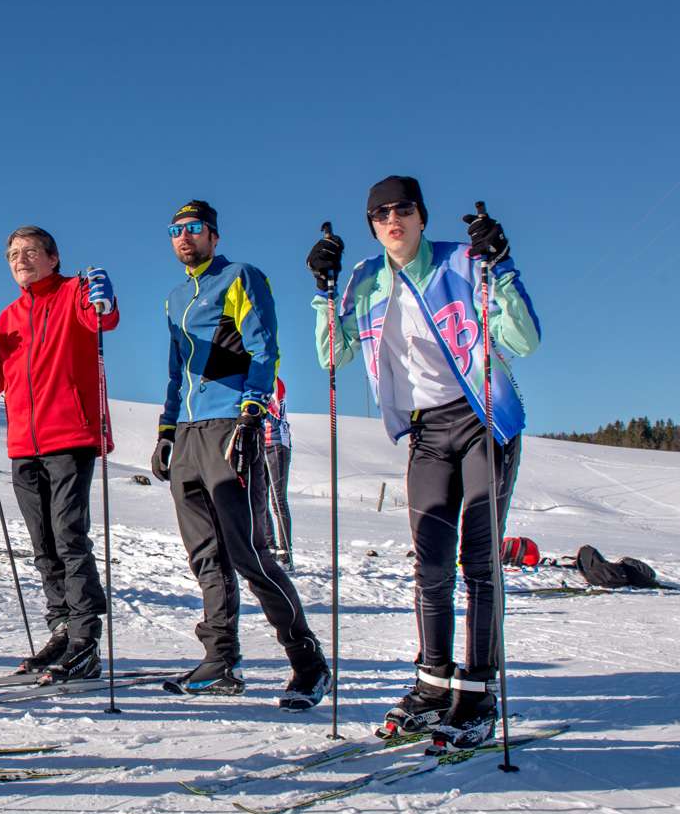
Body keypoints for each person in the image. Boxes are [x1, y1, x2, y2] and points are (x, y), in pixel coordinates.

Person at [309, 177, 539, 749]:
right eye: (380, 213)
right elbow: (330, 354)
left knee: (478, 560)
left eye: (403, 209)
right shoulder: (364, 280)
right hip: (426, 433)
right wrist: (322, 290)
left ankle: (478, 691)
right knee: (429, 565)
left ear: (421, 216)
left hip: (484, 416)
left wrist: (502, 267)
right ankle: (433, 685)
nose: (393, 219)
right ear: (371, 225)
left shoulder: (464, 262)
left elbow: (525, 339)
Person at [153, 200, 329, 709]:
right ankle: (219, 662)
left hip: (230, 423)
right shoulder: (174, 298)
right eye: (175, 231)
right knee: (204, 553)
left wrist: (253, 408)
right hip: (187, 431)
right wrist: (166, 431)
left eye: (193, 229)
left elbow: (263, 346)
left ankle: (308, 662)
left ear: (211, 234)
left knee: (248, 553)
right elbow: (175, 371)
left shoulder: (239, 277)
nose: (184, 237)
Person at [0, 226, 116, 682]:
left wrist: (104, 299)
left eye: (30, 252)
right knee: (44, 546)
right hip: (24, 444)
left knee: (69, 536)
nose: (21, 259)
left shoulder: (74, 292)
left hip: (70, 437)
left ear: (53, 258)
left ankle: (84, 640)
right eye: (14, 254)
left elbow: (103, 319)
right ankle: (61, 629)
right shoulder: (9, 316)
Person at [257, 377, 293, 569]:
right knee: (260, 498)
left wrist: (260, 405)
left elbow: (277, 419)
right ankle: (270, 549)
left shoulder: (274, 383)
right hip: (261, 444)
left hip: (277, 444)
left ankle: (286, 553)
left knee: (278, 500)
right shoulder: (254, 381)